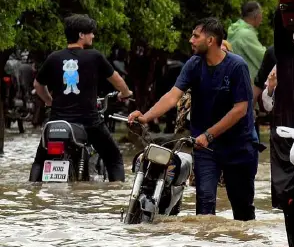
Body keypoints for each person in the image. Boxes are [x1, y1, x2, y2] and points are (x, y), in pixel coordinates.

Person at [128, 17, 259, 221]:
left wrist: (209, 134)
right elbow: (173, 95)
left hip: (239, 146)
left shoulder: (237, 66)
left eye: (195, 36)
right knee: (204, 205)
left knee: (242, 209)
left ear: (211, 40)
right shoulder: (194, 64)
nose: (190, 40)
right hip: (205, 148)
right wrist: (145, 117)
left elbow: (240, 110)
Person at [30, 15, 133, 182]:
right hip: (89, 123)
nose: (93, 36)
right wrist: (125, 93)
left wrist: (50, 102)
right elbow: (118, 81)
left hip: (56, 122)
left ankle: (33, 193)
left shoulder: (54, 57)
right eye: (90, 32)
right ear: (81, 35)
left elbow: (38, 85)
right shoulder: (95, 56)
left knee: (39, 162)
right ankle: (116, 195)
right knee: (114, 159)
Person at [227, 1, 266, 84]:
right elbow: (263, 57)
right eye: (261, 14)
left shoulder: (235, 29)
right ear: (257, 16)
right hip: (246, 83)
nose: (261, 18)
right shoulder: (245, 34)